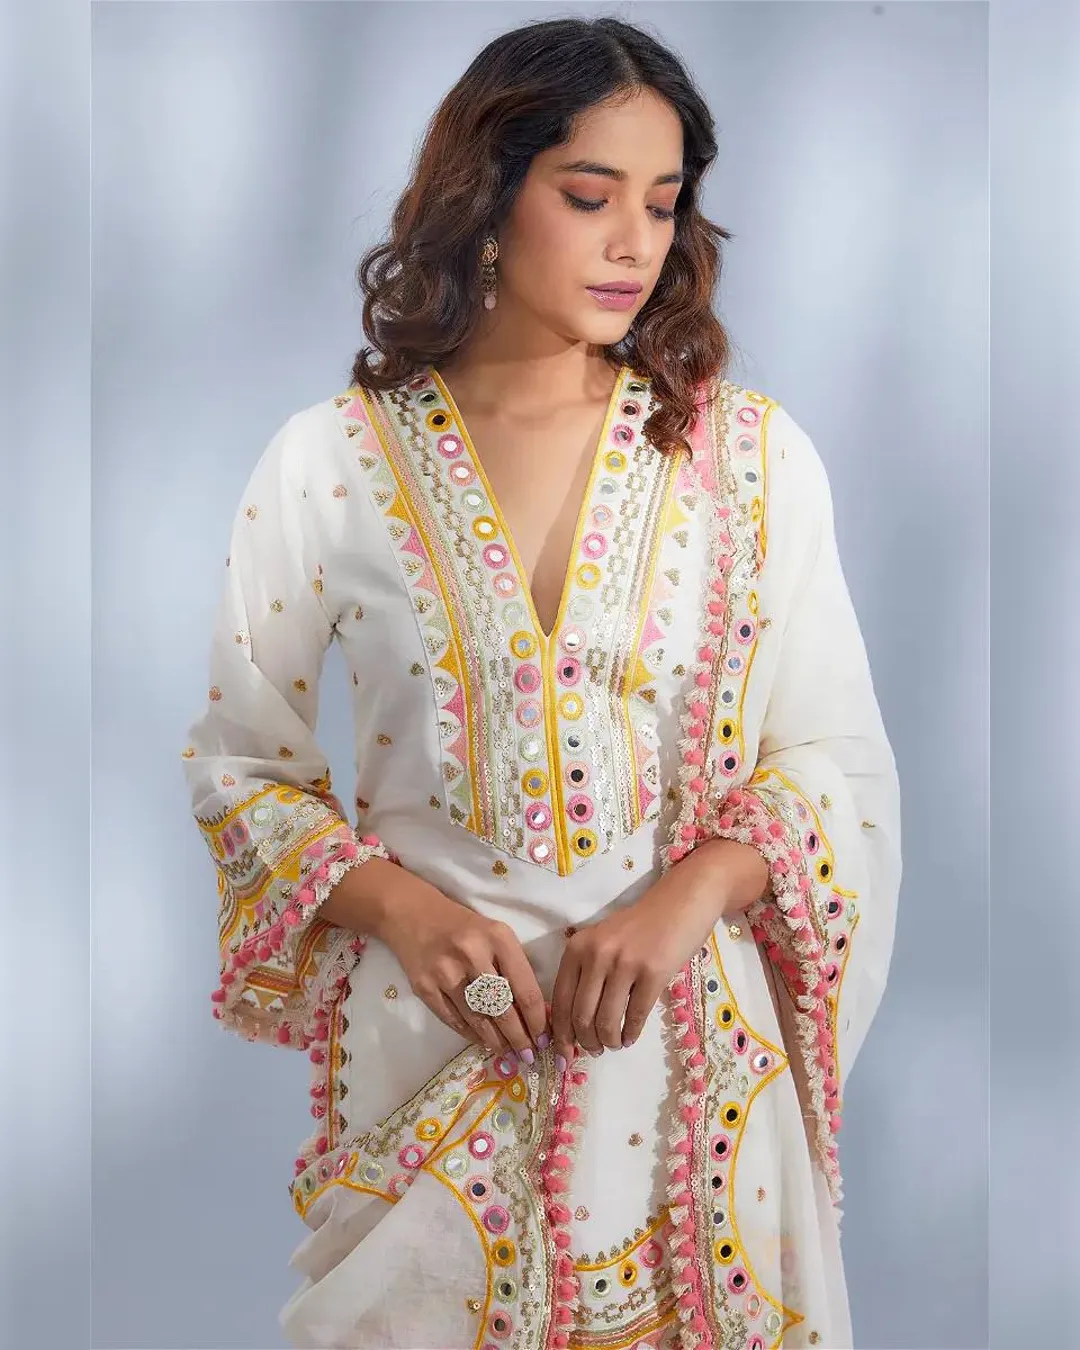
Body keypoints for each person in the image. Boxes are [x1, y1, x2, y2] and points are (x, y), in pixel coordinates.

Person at [181, 15, 901, 1350]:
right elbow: (241, 766)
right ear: (489, 194)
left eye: (662, 204)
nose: (635, 241)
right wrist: (399, 908)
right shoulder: (330, 464)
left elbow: (834, 761)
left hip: (695, 1098)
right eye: (590, 195)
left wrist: (692, 893)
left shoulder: (750, 461)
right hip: (433, 1085)